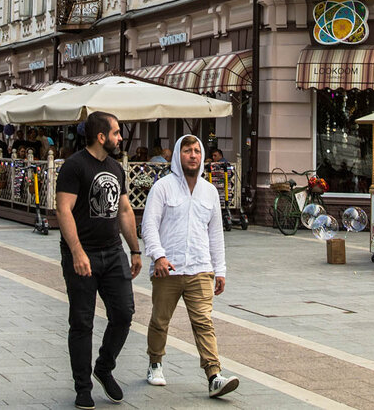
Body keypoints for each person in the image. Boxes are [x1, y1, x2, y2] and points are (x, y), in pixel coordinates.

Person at [55, 111, 141, 410]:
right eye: (116, 133)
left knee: (124, 313)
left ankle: (104, 367)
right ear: (101, 136)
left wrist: (135, 249)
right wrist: (77, 251)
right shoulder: (74, 166)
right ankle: (83, 387)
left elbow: (125, 210)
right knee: (82, 321)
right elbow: (63, 210)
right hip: (83, 253)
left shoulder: (116, 168)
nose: (120, 137)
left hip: (113, 251)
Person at [141, 134, 239, 398]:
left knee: (204, 322)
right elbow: (149, 225)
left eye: (197, 151)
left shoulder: (209, 191)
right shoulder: (163, 187)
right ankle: (155, 363)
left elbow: (215, 233)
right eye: (187, 150)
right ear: (177, 155)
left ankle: (214, 376)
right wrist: (158, 256)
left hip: (200, 269)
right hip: (168, 268)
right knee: (160, 321)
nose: (193, 155)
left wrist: (220, 270)